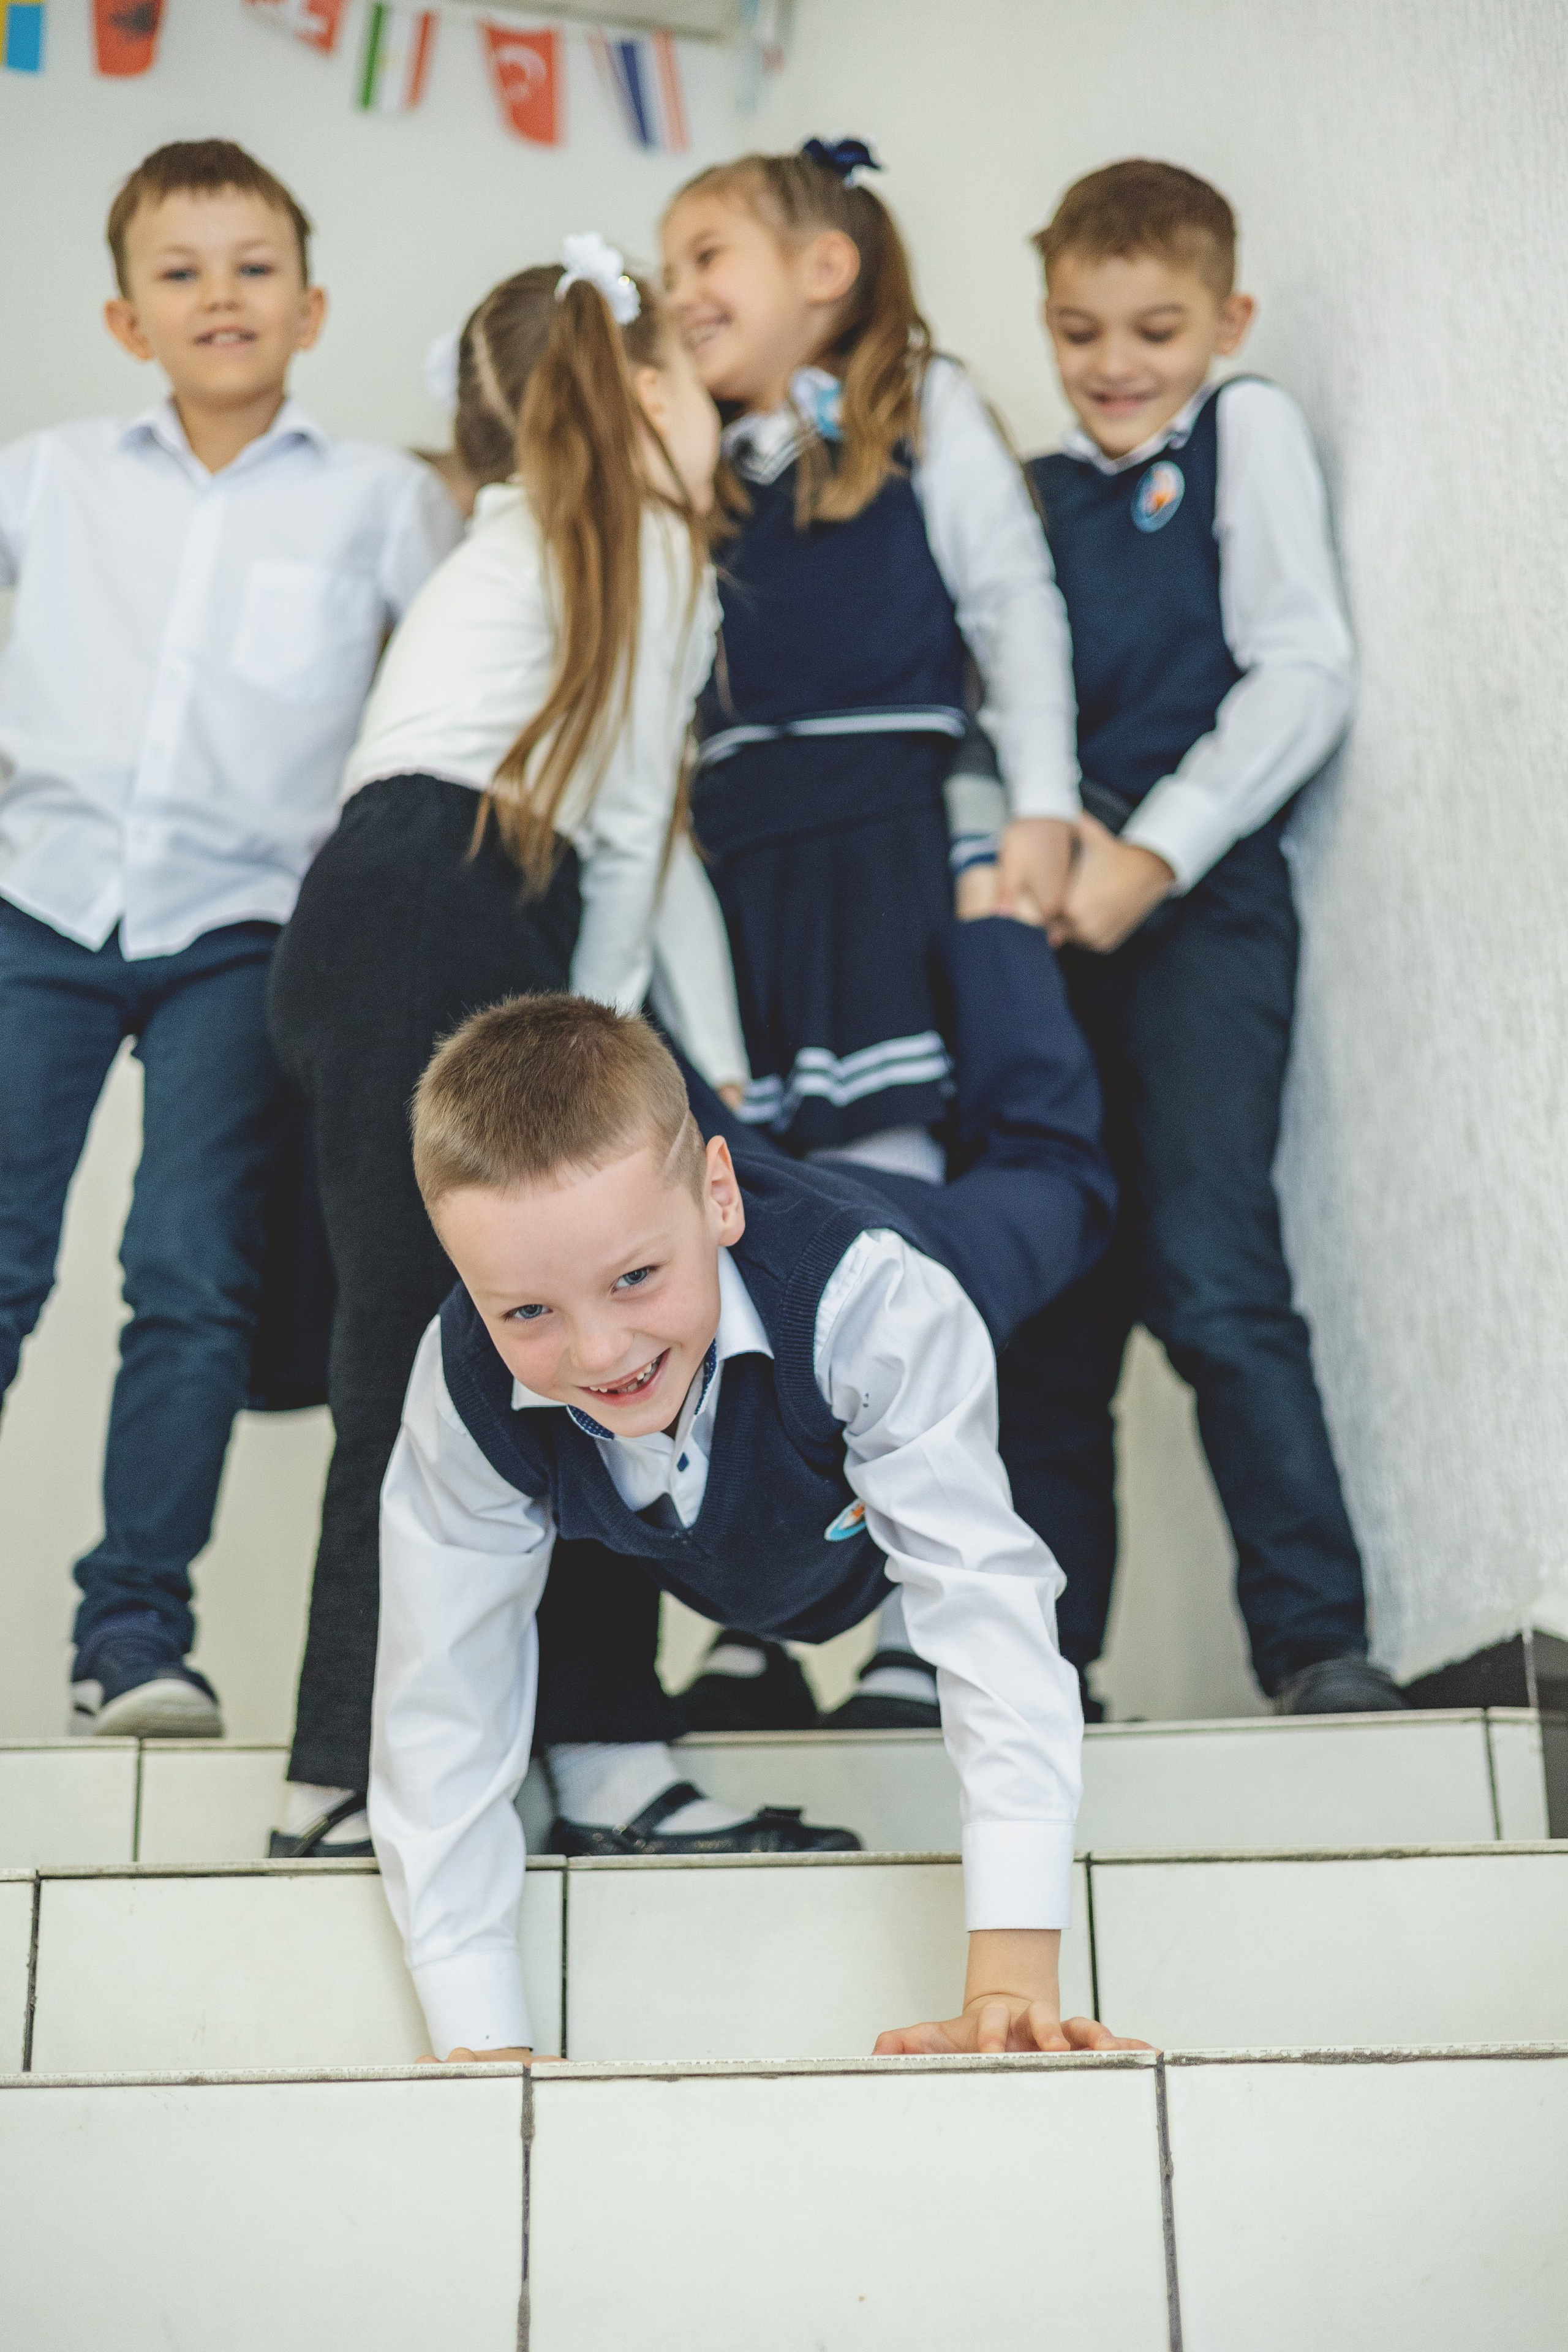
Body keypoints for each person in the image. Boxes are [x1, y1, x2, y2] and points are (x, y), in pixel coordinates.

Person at [267, 239, 839, 1863]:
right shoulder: (641, 545)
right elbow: (619, 859)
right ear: (645, 393)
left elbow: (642, 855)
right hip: (446, 909)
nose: (719, 430)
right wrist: (601, 1057)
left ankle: (585, 1746)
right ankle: (367, 1777)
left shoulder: (538, 540)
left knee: (556, 1348)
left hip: (398, 914)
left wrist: (703, 1064)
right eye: (701, 395)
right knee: (478, 1350)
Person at [370, 992, 1148, 2065]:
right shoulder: (460, 1388)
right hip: (756, 1350)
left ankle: (1003, 936)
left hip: (939, 1238)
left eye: (633, 1279)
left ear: (716, 1200)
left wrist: (1010, 1976)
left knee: (1062, 1182)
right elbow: (439, 1698)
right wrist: (480, 2039)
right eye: (528, 1313)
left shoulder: (875, 1304)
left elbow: (985, 1603)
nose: (598, 1354)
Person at [0, 139, 459, 1740]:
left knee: (189, 1274)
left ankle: (132, 1634)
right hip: (36, 911)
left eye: (254, 267)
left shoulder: (381, 502)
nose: (220, 296)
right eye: (180, 272)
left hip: (244, 939)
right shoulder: (43, 476)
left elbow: (463, 688)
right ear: (126, 319)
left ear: (312, 303)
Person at [659, 137, 1108, 1732]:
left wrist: (1042, 807)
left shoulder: (927, 408)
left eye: (708, 256)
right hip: (737, 880)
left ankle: (931, 1607)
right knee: (744, 1256)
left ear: (823, 270)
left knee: (888, 1245)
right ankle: (763, 1613)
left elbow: (1012, 605)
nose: (680, 292)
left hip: (882, 856)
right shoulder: (696, 454)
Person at [1003, 158, 1400, 1716]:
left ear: (1226, 317)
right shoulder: (1034, 494)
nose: (1114, 364)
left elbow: (1302, 670)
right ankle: (1049, 1667)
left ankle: (1315, 1643)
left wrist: (1153, 854)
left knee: (1215, 1279)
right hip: (1051, 932)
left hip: (1199, 914)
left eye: (1155, 328)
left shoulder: (1244, 433)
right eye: (1078, 329)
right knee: (1050, 1309)